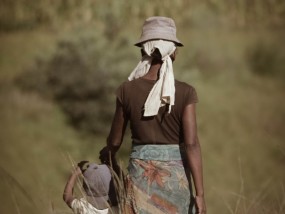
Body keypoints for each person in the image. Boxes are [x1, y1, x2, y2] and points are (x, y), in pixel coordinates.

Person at [100, 16, 206, 214]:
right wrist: (200, 194)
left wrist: (108, 152)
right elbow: (191, 144)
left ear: (143, 51)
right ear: (174, 53)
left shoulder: (126, 90)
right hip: (177, 182)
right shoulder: (186, 92)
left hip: (141, 181)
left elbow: (115, 141)